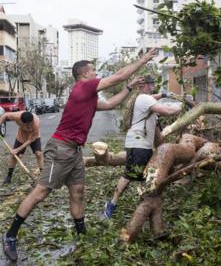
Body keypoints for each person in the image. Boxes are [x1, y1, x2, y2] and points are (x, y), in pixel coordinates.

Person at [1, 48, 158, 262]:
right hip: (60, 148)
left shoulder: (90, 98)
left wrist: (130, 87)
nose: (96, 74)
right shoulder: (83, 87)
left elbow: (112, 103)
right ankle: (10, 236)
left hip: (74, 151)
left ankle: (81, 236)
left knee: (78, 193)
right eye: (93, 70)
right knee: (40, 193)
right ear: (84, 74)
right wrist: (144, 59)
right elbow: (119, 76)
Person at [103, 75, 182, 219]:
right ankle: (112, 204)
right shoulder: (144, 99)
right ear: (144, 85)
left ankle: (147, 203)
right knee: (130, 175)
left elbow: (155, 99)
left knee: (148, 174)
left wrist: (165, 94)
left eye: (153, 83)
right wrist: (180, 108)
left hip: (142, 144)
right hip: (138, 144)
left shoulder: (144, 99)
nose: (153, 86)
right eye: (150, 84)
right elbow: (167, 111)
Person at [0, 111, 43, 184]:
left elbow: (30, 140)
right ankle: (9, 176)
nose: (29, 126)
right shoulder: (17, 116)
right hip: (21, 136)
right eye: (27, 125)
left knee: (38, 154)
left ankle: (43, 176)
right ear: (21, 121)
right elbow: (5, 115)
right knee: (14, 156)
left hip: (33, 137)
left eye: (30, 124)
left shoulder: (36, 123)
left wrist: (17, 149)